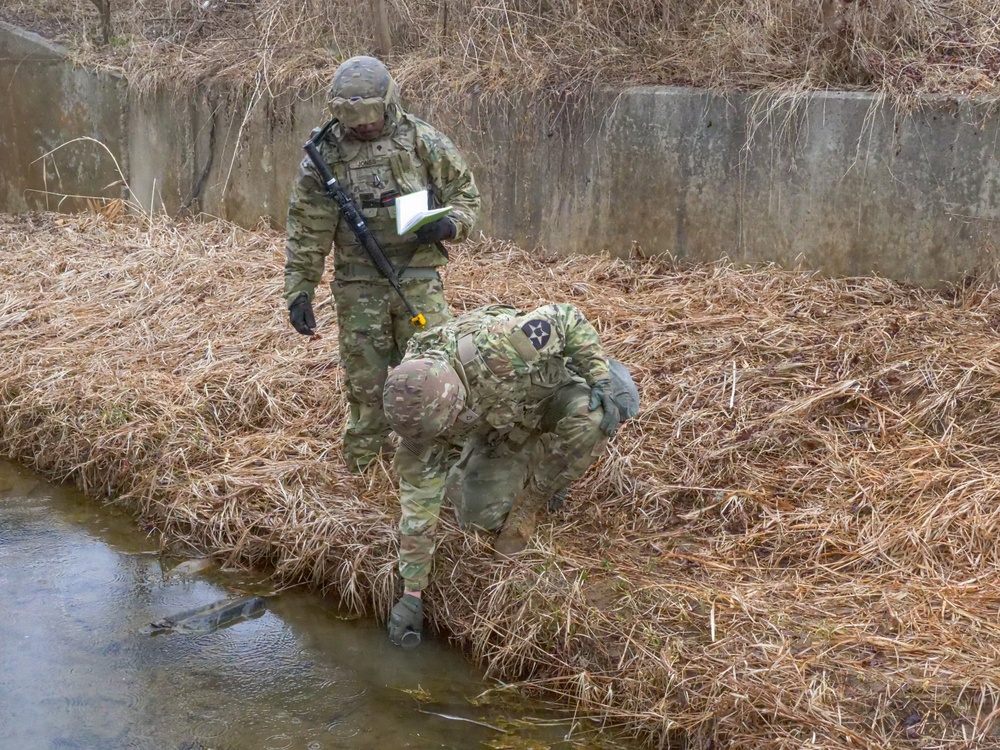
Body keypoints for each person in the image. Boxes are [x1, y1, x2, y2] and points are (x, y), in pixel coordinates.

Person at [381, 302, 640, 647]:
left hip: (551, 393)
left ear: (456, 402)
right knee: (477, 518)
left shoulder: (497, 348)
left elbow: (565, 317)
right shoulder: (415, 407)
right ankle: (528, 452)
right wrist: (412, 592)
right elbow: (418, 507)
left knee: (596, 417)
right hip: (503, 426)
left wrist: (599, 379)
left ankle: (533, 500)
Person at [283, 55, 481, 473]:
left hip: (417, 277)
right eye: (354, 122)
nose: (364, 128)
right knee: (365, 383)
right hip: (358, 284)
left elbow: (465, 195)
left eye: (370, 119)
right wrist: (300, 290)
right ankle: (364, 465)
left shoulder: (421, 140)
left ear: (389, 103)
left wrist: (449, 226)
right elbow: (307, 229)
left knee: (437, 369)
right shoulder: (325, 156)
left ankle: (443, 460)